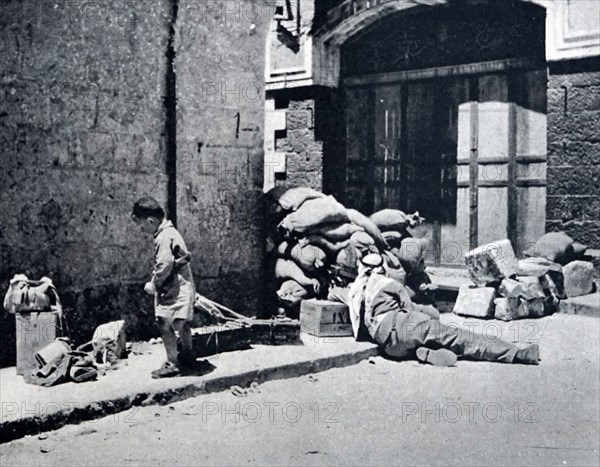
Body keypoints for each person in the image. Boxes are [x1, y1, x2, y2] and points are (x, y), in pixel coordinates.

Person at [344, 253, 540, 366]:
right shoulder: (389, 283)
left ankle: (423, 351)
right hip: (404, 326)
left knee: (426, 339)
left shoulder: (354, 291)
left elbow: (334, 295)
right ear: (382, 268)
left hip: (389, 347)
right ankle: (516, 354)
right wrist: (431, 314)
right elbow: (410, 308)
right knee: (461, 338)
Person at [132, 197, 196, 378]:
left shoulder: (162, 237)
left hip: (173, 290)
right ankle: (188, 356)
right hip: (183, 286)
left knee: (164, 323)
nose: (141, 230)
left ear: (151, 221)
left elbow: (165, 264)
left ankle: (172, 363)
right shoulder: (172, 232)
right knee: (182, 323)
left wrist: (154, 283)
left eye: (142, 226)